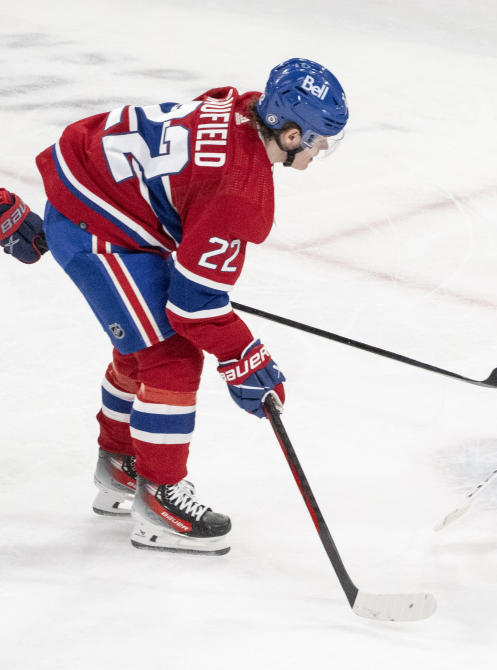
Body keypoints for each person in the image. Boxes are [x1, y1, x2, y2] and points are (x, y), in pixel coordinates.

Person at [0, 58, 348, 555]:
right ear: (290, 136)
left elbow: (187, 187)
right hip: (98, 227)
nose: (322, 150)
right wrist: (242, 354)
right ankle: (159, 499)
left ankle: (121, 465)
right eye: (319, 140)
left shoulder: (238, 104)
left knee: (144, 343)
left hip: (101, 198)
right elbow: (193, 307)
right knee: (171, 354)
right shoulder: (240, 190)